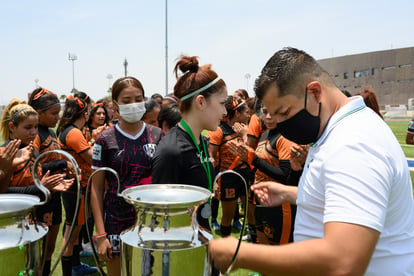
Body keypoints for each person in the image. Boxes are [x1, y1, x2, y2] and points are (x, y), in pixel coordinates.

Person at [209, 47, 414, 275]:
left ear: (315, 92)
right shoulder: (335, 131)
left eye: (284, 112)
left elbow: (344, 260)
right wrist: (291, 194)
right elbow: (339, 195)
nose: (279, 124)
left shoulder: (354, 143)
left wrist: (240, 254)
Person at [90, 76, 162, 276]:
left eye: (138, 99)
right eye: (127, 100)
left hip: (149, 222)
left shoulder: (157, 135)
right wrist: (101, 234)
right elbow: (96, 189)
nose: (133, 105)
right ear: (115, 105)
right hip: (115, 221)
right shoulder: (104, 140)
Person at [28, 87, 73, 276]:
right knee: (40, 248)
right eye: (53, 114)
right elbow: (34, 168)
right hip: (41, 197)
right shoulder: (35, 135)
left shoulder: (51, 133)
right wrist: (62, 163)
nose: (57, 117)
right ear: (39, 113)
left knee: (50, 247)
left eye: (58, 113)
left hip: (54, 195)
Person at [57, 95, 98, 276]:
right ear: (85, 111)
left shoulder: (71, 130)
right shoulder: (73, 132)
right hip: (76, 187)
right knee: (71, 235)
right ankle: (70, 270)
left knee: (76, 231)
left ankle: (75, 266)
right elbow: (92, 158)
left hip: (76, 186)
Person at [207, 96, 251, 237]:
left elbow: (252, 153)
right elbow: (210, 157)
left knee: (251, 214)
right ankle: (227, 250)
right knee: (228, 216)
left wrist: (245, 134)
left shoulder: (247, 129)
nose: (249, 115)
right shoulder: (220, 131)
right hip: (228, 178)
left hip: (246, 175)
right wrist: (213, 180)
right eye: (246, 112)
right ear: (237, 113)